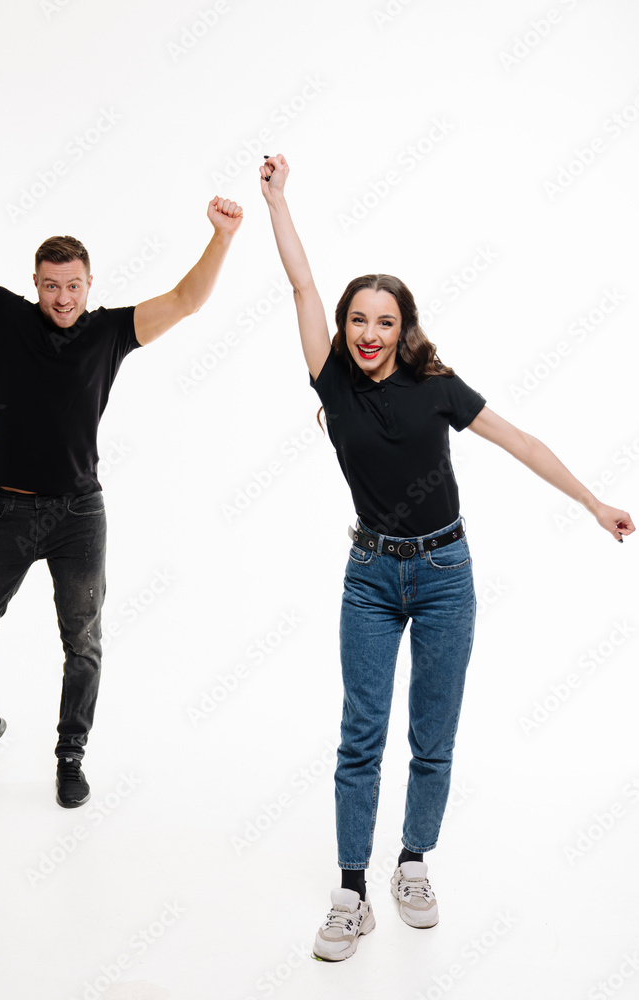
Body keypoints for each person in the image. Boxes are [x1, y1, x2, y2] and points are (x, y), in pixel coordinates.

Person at [259, 153, 633, 961]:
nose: (366, 333)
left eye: (383, 322)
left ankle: (413, 864)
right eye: (358, 319)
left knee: (433, 735)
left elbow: (521, 440)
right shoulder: (332, 382)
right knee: (362, 733)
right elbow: (300, 286)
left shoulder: (437, 384)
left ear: (405, 328)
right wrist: (278, 200)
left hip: (443, 576)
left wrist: (592, 502)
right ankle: (352, 892)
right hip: (369, 577)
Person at [0, 140, 243, 808]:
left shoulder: (109, 333)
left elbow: (187, 300)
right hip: (8, 511)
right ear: (37, 283)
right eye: (52, 284)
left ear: (88, 284)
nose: (63, 296)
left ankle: (70, 755)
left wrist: (220, 238)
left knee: (83, 642)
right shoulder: (3, 318)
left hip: (79, 513)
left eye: (73, 284)